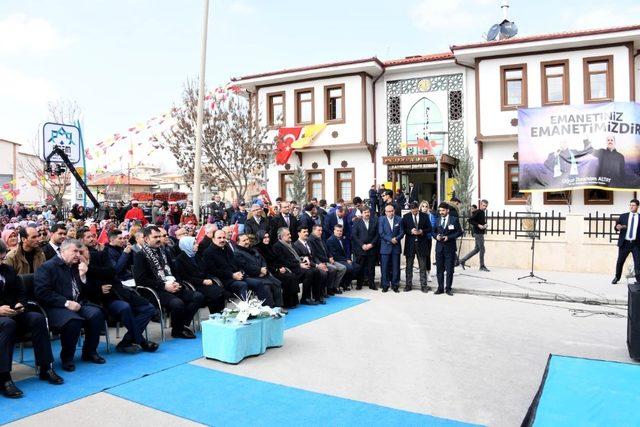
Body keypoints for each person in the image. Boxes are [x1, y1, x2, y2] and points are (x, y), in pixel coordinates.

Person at [0, 240, 63, 398]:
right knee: (7, 325)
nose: (1, 262)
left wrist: (20, 304)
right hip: (2, 317)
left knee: (37, 318)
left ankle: (45, 367)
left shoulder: (7, 270)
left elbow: (20, 291)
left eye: (2, 258)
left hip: (13, 311)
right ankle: (4, 378)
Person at [34, 239, 106, 371]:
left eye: (79, 251)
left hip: (78, 303)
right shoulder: (47, 267)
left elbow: (88, 291)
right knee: (73, 321)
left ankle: (89, 352)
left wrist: (83, 276)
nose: (78, 255)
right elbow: (42, 293)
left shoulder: (76, 265)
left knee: (97, 314)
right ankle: (67, 358)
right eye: (75, 251)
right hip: (56, 307)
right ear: (63, 251)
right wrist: (66, 303)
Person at [79, 245, 158, 354]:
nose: (81, 255)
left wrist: (89, 268)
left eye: (83, 251)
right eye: (78, 252)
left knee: (149, 308)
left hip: (119, 292)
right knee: (125, 308)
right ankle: (142, 341)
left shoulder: (99, 256)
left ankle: (126, 341)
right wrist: (98, 289)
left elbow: (112, 271)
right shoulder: (74, 264)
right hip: (101, 300)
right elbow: (81, 288)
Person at [133, 226, 204, 339]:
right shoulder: (140, 256)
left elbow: (175, 271)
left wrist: (177, 283)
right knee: (178, 303)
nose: (159, 239)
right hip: (156, 290)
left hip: (172, 285)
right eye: (155, 237)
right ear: (146, 239)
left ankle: (181, 325)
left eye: (160, 236)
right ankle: (177, 330)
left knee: (198, 296)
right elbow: (141, 280)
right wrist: (164, 286)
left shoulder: (165, 252)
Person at [173, 236, 226, 315]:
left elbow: (204, 270)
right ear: (187, 245)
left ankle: (217, 315)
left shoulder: (196, 256)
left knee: (221, 293)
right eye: (194, 244)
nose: (197, 245)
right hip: (193, 285)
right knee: (216, 293)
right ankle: (216, 315)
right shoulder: (179, 259)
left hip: (204, 283)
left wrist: (209, 278)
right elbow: (184, 277)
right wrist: (202, 281)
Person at [272, 227, 324, 305]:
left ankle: (317, 296)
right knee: (309, 273)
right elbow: (283, 262)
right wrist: (299, 265)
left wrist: (303, 258)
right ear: (281, 237)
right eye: (288, 234)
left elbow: (299, 255)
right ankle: (305, 298)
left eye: (289, 233)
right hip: (290, 268)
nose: (290, 235)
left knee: (316, 271)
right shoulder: (277, 246)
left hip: (297, 266)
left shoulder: (291, 244)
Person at [234, 234, 283, 309]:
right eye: (244, 240)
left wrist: (264, 268)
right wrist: (259, 271)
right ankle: (269, 309)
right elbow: (246, 267)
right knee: (266, 287)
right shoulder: (237, 253)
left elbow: (263, 260)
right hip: (251, 276)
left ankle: (278, 308)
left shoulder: (253, 249)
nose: (247, 242)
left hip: (263, 274)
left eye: (247, 239)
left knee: (276, 284)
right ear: (238, 242)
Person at [201, 230, 254, 299]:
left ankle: (266, 307)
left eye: (223, 237)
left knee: (257, 283)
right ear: (213, 239)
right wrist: (232, 275)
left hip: (235, 275)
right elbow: (212, 271)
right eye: (219, 238)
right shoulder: (208, 253)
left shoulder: (227, 248)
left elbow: (235, 263)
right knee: (243, 285)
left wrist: (239, 272)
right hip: (223, 279)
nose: (222, 240)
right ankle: (245, 307)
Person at [254, 230, 299, 308]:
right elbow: (264, 263)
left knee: (292, 276)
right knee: (288, 277)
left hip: (278, 269)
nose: (267, 239)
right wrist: (277, 270)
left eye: (268, 237)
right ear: (260, 238)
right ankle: (286, 302)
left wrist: (282, 267)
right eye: (264, 237)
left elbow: (278, 259)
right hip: (270, 271)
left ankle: (292, 301)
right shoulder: (257, 249)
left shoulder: (270, 246)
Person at [294, 226, 333, 296]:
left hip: (314, 263)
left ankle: (321, 293)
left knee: (326, 270)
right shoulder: (296, 245)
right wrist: (317, 265)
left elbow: (314, 256)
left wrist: (320, 263)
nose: (306, 233)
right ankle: (318, 295)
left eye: (307, 232)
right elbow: (303, 260)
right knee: (322, 273)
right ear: (299, 233)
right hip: (307, 266)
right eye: (304, 232)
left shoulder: (308, 243)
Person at [433, 202, 463, 296]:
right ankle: (440, 288)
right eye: (440, 210)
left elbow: (459, 232)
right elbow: (433, 232)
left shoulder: (454, 219)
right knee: (439, 269)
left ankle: (448, 288)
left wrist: (449, 237)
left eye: (443, 210)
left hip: (449, 248)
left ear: (447, 210)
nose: (441, 212)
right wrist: (436, 236)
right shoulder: (437, 220)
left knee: (449, 269)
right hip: (439, 249)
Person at [402, 201, 432, 292]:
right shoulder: (406, 217)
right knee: (409, 266)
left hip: (422, 243)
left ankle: (424, 285)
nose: (414, 213)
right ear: (410, 210)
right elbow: (403, 229)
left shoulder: (425, 216)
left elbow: (430, 228)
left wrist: (422, 231)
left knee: (422, 266)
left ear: (418, 209)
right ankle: (408, 285)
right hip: (410, 244)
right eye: (413, 211)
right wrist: (411, 231)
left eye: (416, 211)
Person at [612, 199, 640, 284]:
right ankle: (617, 277)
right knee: (620, 261)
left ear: (637, 206)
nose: (631, 206)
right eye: (630, 205)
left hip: (636, 244)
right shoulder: (623, 216)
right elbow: (616, 227)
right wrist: (617, 227)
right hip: (625, 243)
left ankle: (638, 280)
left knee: (638, 263)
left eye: (633, 205)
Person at [459, 199, 490, 272]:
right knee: (482, 249)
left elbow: (480, 221)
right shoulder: (477, 212)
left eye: (486, 206)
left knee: (477, 249)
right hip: (478, 233)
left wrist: (485, 224)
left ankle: (462, 261)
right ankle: (482, 266)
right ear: (480, 205)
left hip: (480, 233)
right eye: (483, 205)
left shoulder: (482, 212)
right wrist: (478, 225)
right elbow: (470, 220)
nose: (485, 207)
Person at [351, 208, 379, 290]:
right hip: (360, 249)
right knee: (360, 267)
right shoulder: (357, 222)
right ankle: (359, 284)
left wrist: (371, 244)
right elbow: (354, 235)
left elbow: (377, 235)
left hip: (371, 248)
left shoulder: (375, 221)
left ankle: (372, 284)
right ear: (362, 214)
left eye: (368, 212)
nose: (367, 214)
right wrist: (362, 245)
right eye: (365, 212)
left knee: (371, 267)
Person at [326, 224, 360, 290]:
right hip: (337, 260)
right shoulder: (330, 240)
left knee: (357, 267)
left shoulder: (343, 239)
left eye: (341, 231)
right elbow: (334, 255)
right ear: (334, 231)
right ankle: (342, 284)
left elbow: (347, 251)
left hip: (344, 259)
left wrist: (348, 258)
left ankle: (345, 283)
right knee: (349, 267)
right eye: (338, 231)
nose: (339, 232)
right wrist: (346, 260)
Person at [378, 205, 404, 292]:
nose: (391, 213)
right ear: (385, 212)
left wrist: (396, 239)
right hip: (385, 247)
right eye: (388, 211)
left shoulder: (399, 219)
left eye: (392, 211)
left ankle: (395, 285)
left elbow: (402, 232)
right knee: (384, 268)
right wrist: (390, 239)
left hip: (396, 247)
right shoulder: (381, 219)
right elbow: (381, 233)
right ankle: (385, 285)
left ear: (394, 211)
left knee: (396, 267)